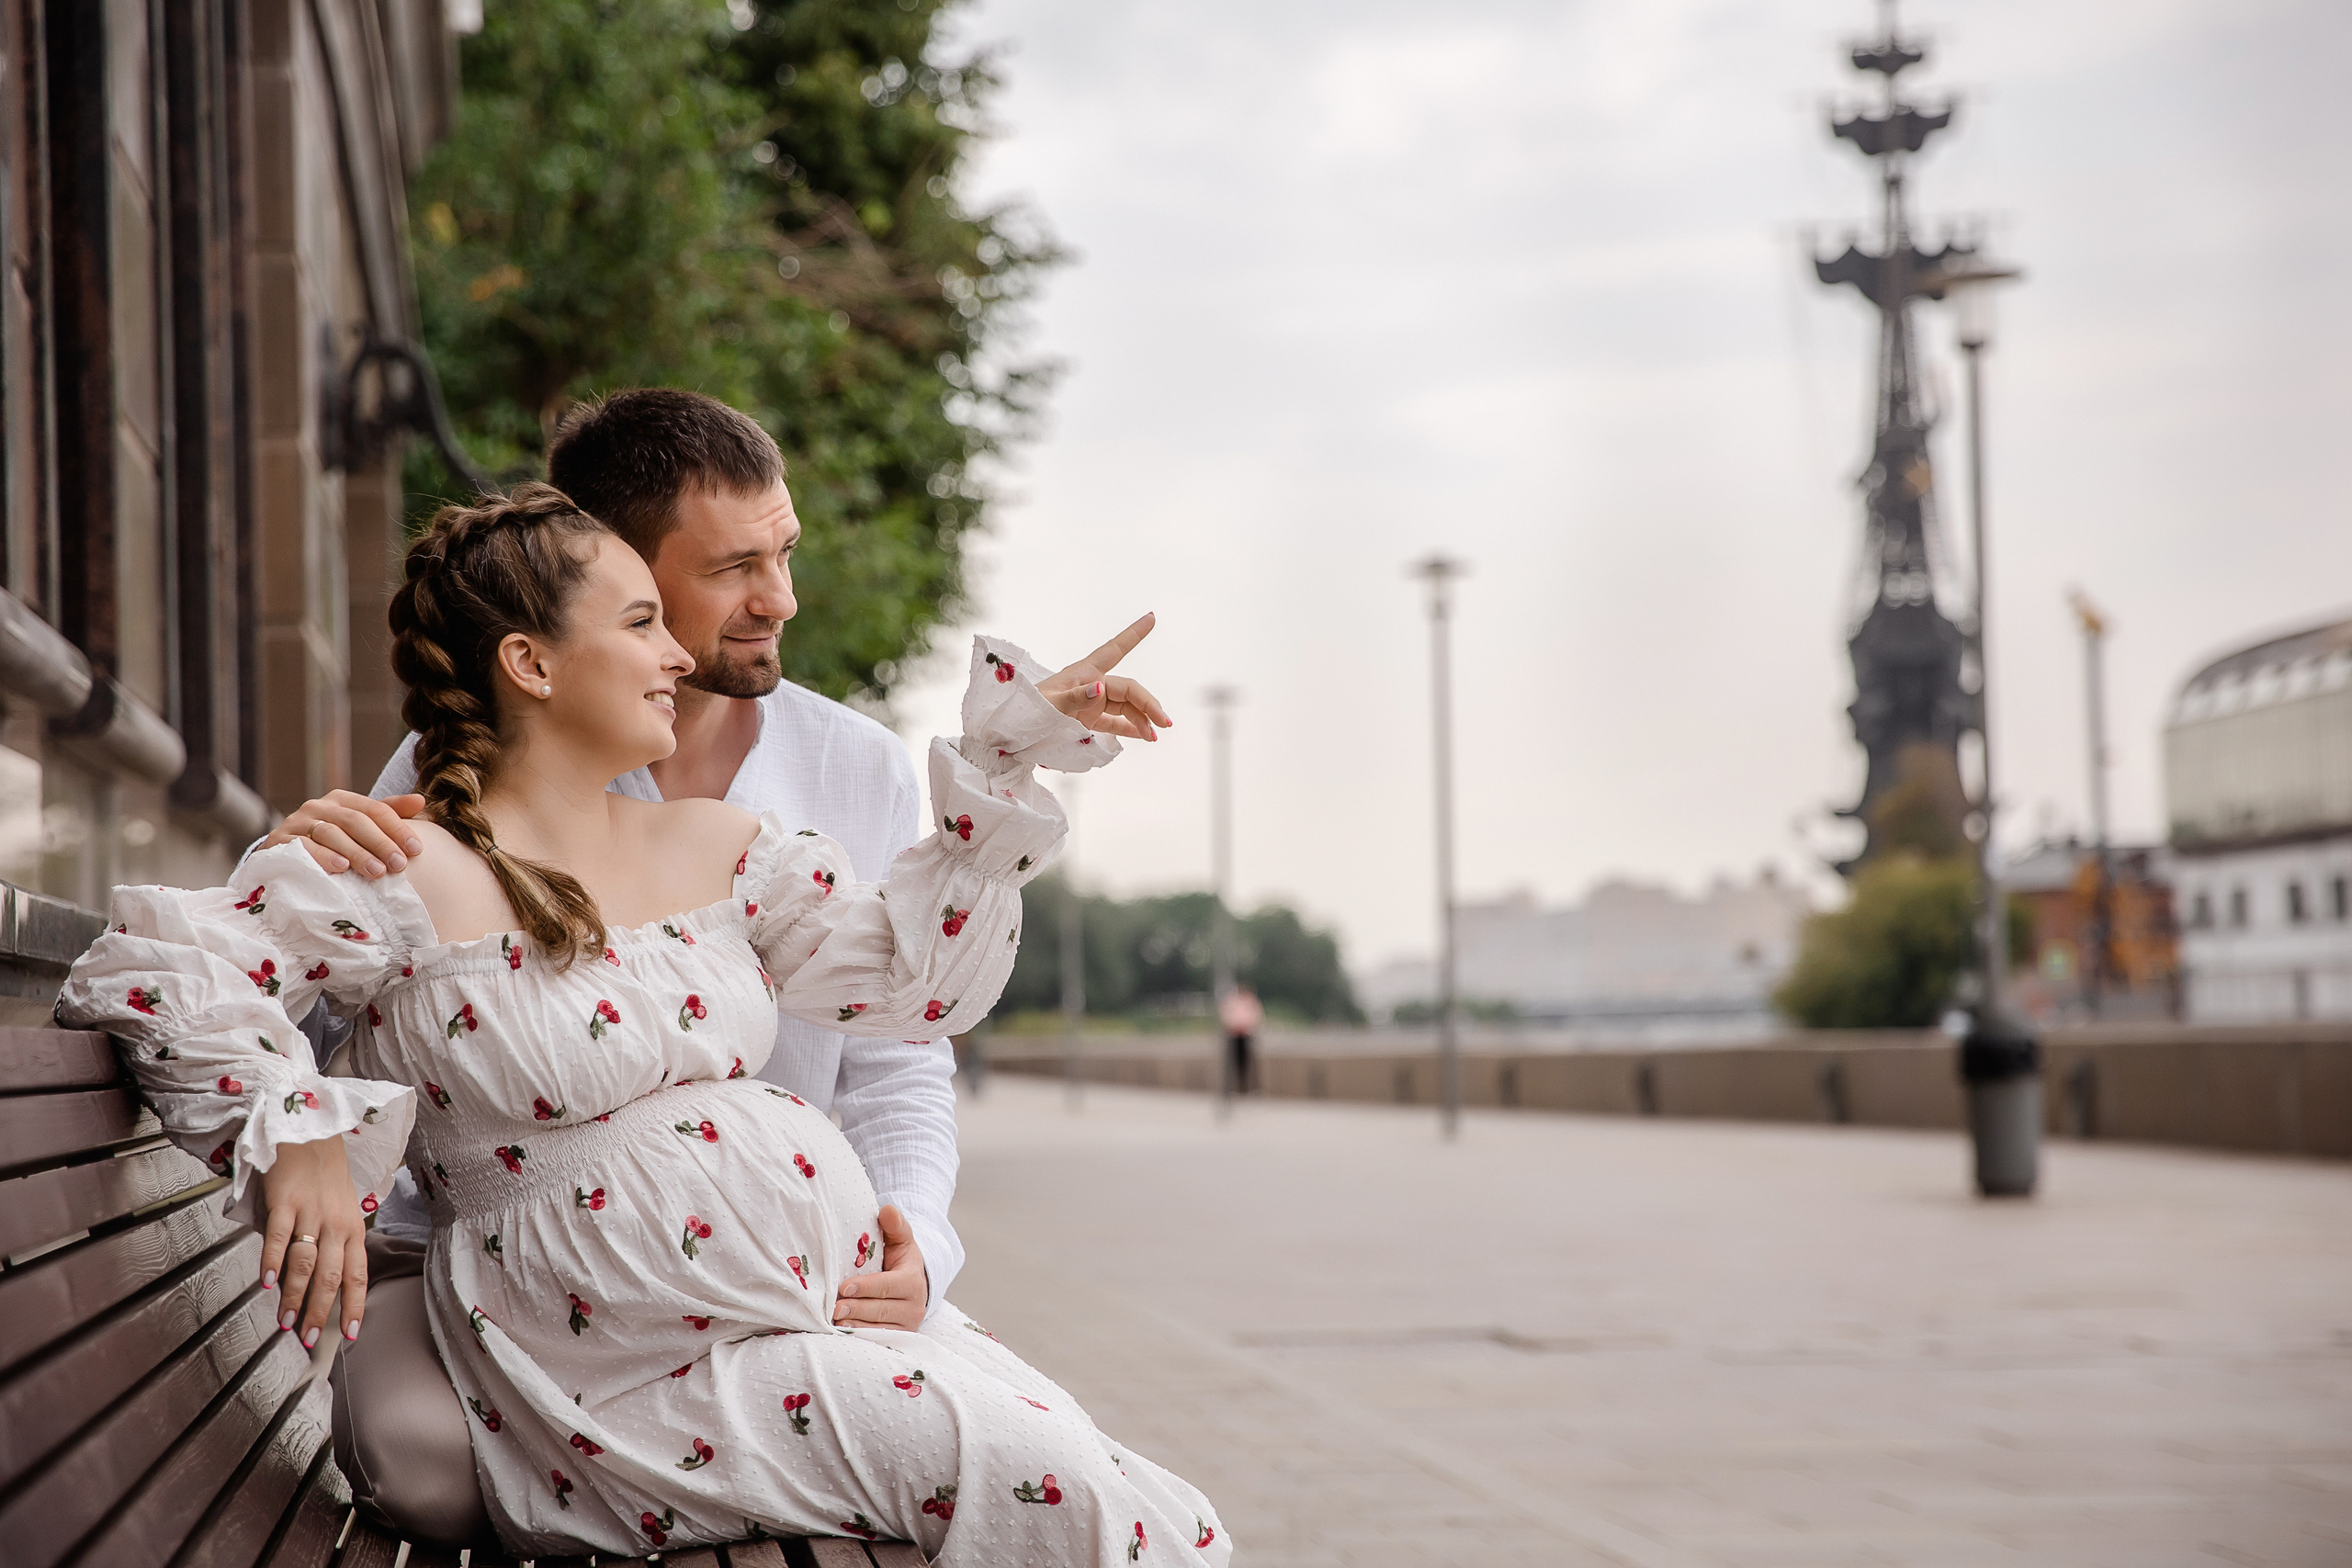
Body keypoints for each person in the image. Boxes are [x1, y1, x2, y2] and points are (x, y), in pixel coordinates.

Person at [61, 487, 1226, 1564]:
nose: (678, 653)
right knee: (1058, 1495)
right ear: (531, 663)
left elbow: (913, 991)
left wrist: (999, 759)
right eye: (640, 624)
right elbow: (162, 965)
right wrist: (298, 1126)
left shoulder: (720, 848)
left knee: (1149, 1508)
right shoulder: (399, 864)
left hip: (809, 1330)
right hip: (615, 1376)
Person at [255, 389, 1153, 1329]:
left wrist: (921, 1241)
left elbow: (898, 1049)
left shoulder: (850, 769)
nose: (783, 601)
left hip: (804, 1292)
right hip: (545, 1303)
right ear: (607, 570)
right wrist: (300, 1121)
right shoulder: (459, 776)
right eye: (736, 567)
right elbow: (329, 1000)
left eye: (785, 553)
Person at [1217, 983, 1263, 1096]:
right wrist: (1234, 1026)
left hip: (1246, 1034)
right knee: (1232, 1063)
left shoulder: (1251, 1001)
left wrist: (1247, 1027)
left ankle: (1249, 1089)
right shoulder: (1231, 1000)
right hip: (1233, 1035)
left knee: (1249, 1063)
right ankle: (1232, 1089)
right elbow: (1225, 1015)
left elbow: (1257, 1016)